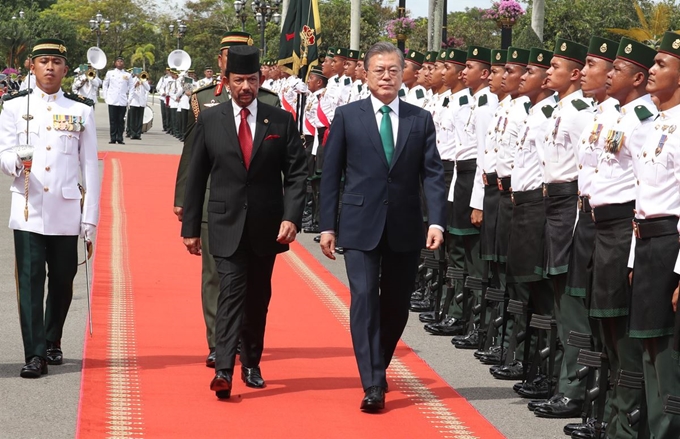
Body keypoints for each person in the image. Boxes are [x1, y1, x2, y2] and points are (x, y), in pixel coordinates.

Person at [319, 41, 447, 412]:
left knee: (396, 305)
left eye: (393, 70)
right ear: (366, 74)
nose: (387, 76)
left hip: (405, 225)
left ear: (402, 73)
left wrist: (436, 220)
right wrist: (329, 225)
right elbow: (331, 176)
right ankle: (373, 382)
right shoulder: (348, 116)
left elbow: (433, 175)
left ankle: (378, 362)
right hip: (359, 224)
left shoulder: (418, 118)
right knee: (363, 299)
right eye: (379, 70)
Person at [181, 45, 307, 399]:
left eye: (252, 79)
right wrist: (190, 227)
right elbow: (196, 177)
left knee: (257, 298)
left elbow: (297, 173)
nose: (246, 87)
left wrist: (291, 217)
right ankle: (223, 369)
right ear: (227, 82)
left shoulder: (279, 120)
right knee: (231, 293)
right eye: (239, 80)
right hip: (224, 222)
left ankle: (251, 363)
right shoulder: (210, 119)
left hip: (267, 226)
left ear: (260, 80)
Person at [173, 31, 280, 369]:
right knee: (215, 277)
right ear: (221, 62)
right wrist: (183, 200)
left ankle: (242, 344)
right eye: (228, 55)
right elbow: (192, 156)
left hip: (256, 207)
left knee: (254, 283)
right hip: (212, 202)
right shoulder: (203, 99)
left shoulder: (272, 103)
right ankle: (218, 343)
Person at [0, 38, 100, 378]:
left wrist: (91, 218)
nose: (49, 68)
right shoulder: (14, 106)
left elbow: (90, 165)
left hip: (66, 208)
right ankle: (35, 354)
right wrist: (16, 159)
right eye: (43, 61)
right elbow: (2, 154)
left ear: (65, 69)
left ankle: (52, 337)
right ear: (32, 66)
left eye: (56, 62)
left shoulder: (81, 109)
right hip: (29, 207)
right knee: (30, 281)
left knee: (61, 279)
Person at [103, 56, 135, 144]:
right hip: (112, 99)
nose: (120, 63)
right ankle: (113, 137)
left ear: (123, 63)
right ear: (115, 63)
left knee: (121, 120)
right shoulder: (110, 73)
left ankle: (120, 137)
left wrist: (129, 99)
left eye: (121, 61)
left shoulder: (127, 75)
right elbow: (105, 85)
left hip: (122, 100)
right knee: (113, 120)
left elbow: (132, 87)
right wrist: (106, 97)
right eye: (118, 61)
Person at [127, 69, 150, 140]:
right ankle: (133, 134)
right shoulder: (132, 80)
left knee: (140, 120)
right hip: (134, 102)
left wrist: (143, 82)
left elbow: (148, 88)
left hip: (141, 103)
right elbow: (128, 89)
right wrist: (135, 85)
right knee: (133, 120)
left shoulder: (144, 80)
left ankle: (138, 134)